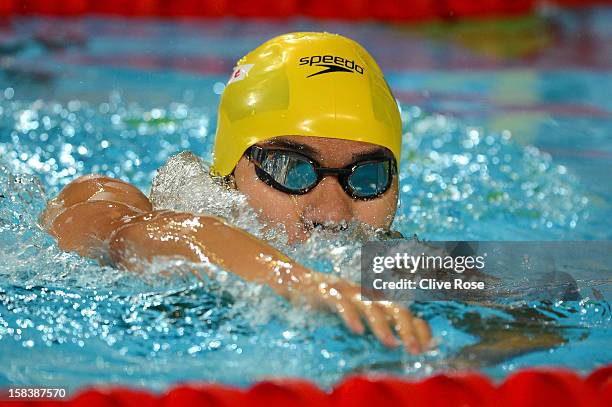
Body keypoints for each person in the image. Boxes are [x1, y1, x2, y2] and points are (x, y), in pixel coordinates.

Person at [40, 32, 432, 354]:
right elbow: (138, 235)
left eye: (366, 177)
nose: (333, 214)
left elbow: (492, 292)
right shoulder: (105, 196)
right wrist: (299, 282)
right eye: (291, 169)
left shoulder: (393, 263)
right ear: (230, 172)